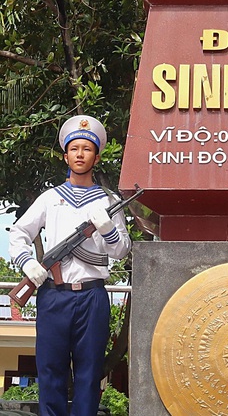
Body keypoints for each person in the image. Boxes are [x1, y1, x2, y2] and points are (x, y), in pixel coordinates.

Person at [9, 115, 131, 416]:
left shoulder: (109, 200)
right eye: (74, 149)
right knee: (51, 370)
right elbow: (19, 233)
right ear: (65, 156)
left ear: (96, 157)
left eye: (86, 149)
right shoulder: (50, 198)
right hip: (54, 295)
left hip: (92, 296)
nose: (80, 154)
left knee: (89, 372)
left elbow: (122, 251)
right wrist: (28, 262)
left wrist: (108, 229)